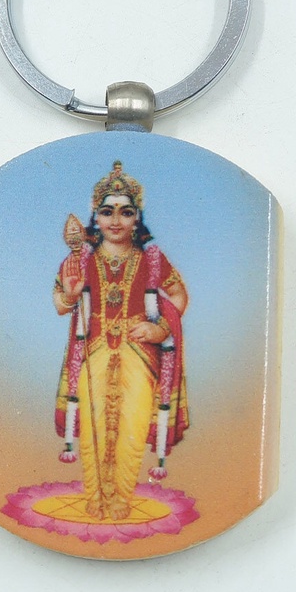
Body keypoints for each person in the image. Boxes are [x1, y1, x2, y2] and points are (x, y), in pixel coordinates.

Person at [52, 161, 189, 521]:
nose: (115, 220)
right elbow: (60, 305)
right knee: (92, 425)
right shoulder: (81, 259)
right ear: (95, 217)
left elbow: (178, 296)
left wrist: (160, 330)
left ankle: (121, 499)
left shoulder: (152, 260)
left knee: (132, 424)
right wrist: (70, 295)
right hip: (94, 350)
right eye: (107, 212)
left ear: (137, 218)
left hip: (139, 353)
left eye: (126, 212)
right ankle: (96, 498)